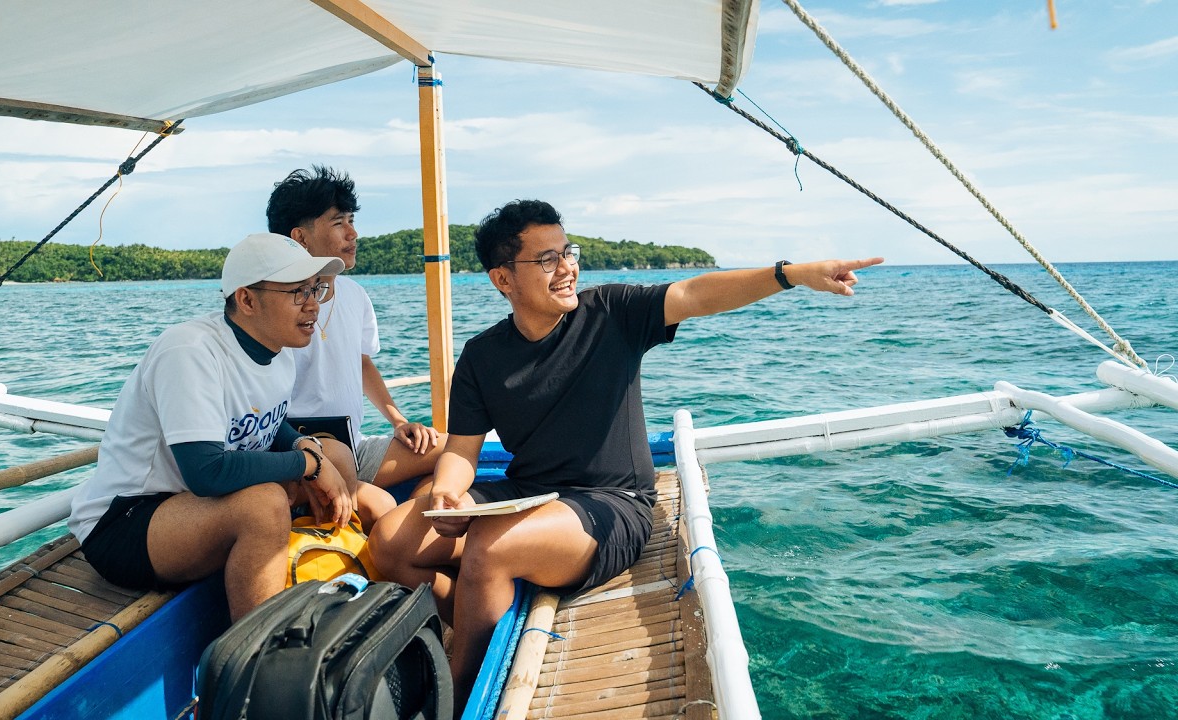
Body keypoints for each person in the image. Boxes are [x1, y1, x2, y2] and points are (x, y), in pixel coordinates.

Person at [368, 199, 884, 713]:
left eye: (567, 251)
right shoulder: (483, 356)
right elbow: (460, 452)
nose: (567, 266)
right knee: (390, 542)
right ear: (503, 279)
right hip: (528, 491)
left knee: (489, 548)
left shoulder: (611, 313)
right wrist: (448, 491)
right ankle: (474, 608)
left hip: (611, 503)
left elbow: (694, 293)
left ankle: (455, 701)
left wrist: (790, 274)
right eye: (546, 259)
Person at [68, 232, 395, 621]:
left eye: (316, 289)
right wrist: (308, 465)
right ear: (247, 299)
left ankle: (322, 572)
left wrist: (307, 447)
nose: (313, 305)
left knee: (337, 456)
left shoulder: (279, 352)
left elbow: (268, 424)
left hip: (197, 505)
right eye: (297, 293)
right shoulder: (190, 352)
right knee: (265, 504)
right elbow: (207, 472)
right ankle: (260, 656)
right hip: (128, 523)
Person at [268, 166, 443, 494]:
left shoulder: (355, 295)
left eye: (352, 221)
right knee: (378, 503)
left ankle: (417, 529)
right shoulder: (272, 305)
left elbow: (361, 362)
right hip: (294, 456)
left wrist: (399, 422)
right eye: (339, 223)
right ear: (299, 238)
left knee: (449, 451)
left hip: (354, 447)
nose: (353, 234)